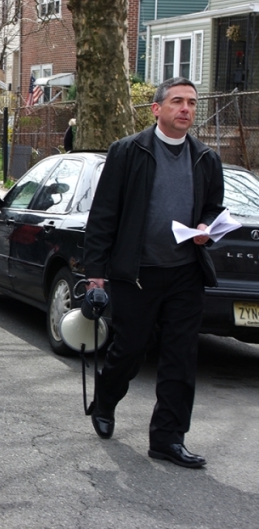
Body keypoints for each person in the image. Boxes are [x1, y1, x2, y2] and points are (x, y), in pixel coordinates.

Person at [84, 77, 224, 469]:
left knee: (180, 358)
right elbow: (104, 214)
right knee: (128, 351)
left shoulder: (206, 158)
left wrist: (205, 229)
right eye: (177, 101)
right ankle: (106, 399)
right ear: (156, 109)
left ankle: (168, 438)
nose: (186, 109)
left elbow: (213, 208)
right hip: (138, 273)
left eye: (192, 103)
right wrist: (96, 272)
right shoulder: (129, 152)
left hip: (185, 274)